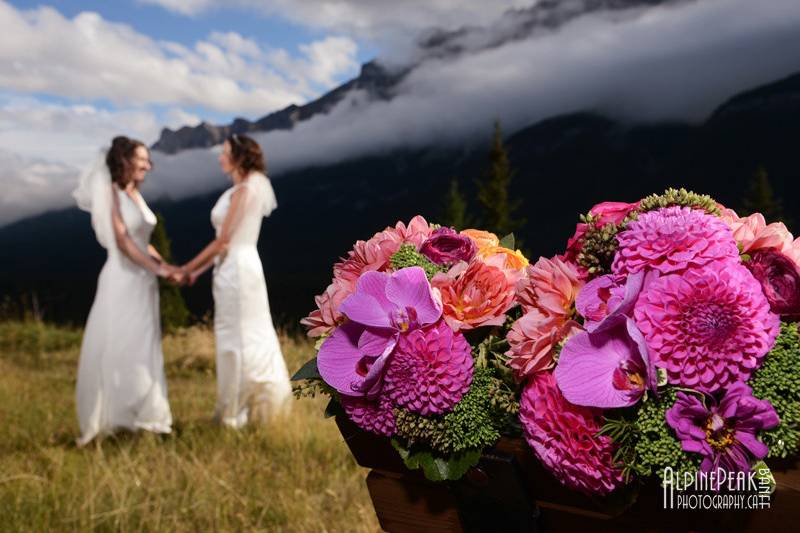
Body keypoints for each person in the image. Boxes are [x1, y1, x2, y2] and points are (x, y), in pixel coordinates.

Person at [180, 134, 291, 428]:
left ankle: (239, 411)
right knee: (242, 333)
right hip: (236, 267)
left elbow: (223, 241)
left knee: (241, 336)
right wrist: (199, 272)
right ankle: (247, 407)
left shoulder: (243, 191)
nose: (220, 158)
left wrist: (187, 269)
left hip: (237, 270)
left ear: (240, 157)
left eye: (225, 152)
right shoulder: (245, 188)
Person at [73, 136, 176, 446]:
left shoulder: (134, 194)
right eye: (142, 159)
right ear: (124, 161)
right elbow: (123, 241)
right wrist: (156, 269)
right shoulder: (111, 193)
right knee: (122, 343)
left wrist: (168, 268)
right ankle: (119, 418)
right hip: (122, 280)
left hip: (143, 281)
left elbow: (143, 241)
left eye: (148, 160)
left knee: (145, 345)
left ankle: (147, 414)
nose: (148, 165)